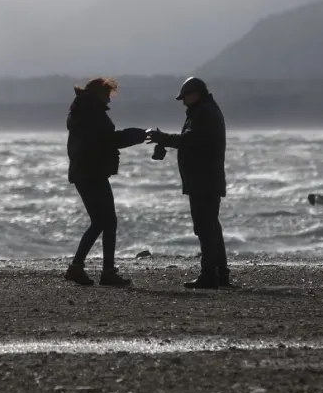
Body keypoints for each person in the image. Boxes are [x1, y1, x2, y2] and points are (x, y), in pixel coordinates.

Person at [147, 77, 230, 289]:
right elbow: (191, 141)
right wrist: (165, 141)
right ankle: (220, 274)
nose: (183, 101)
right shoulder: (206, 110)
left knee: (204, 227)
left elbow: (189, 140)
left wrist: (163, 138)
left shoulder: (203, 113)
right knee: (211, 226)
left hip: (203, 179)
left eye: (185, 97)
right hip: (207, 178)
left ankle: (209, 275)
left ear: (196, 93)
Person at [64, 77, 147, 287]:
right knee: (106, 221)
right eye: (108, 95)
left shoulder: (83, 111)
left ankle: (79, 267)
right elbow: (109, 140)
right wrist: (138, 135)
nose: (109, 101)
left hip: (86, 173)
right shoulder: (92, 114)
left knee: (101, 221)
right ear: (99, 94)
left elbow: (105, 140)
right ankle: (103, 271)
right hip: (91, 173)